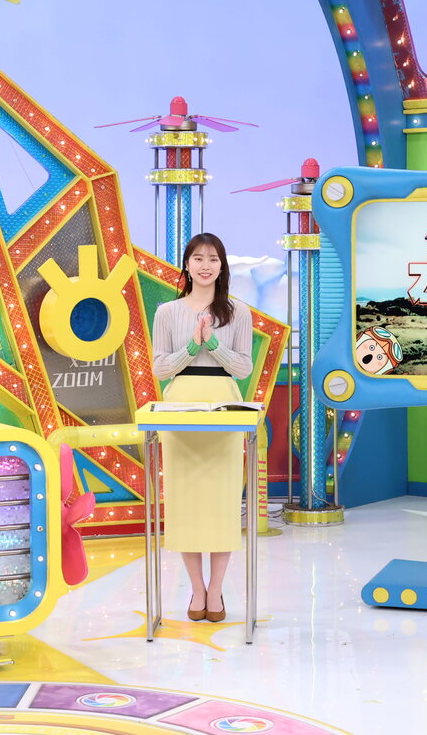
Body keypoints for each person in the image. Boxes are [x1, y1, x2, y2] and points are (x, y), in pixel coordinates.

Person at [151, 233, 253, 623]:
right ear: (187, 264)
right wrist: (192, 348)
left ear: (222, 266)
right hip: (181, 404)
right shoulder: (167, 312)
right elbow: (161, 368)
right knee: (186, 501)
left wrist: (214, 344)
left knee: (222, 501)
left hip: (224, 403)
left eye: (213, 259)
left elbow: (242, 367)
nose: (205, 266)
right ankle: (196, 589)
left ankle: (216, 589)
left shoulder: (238, 312)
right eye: (198, 258)